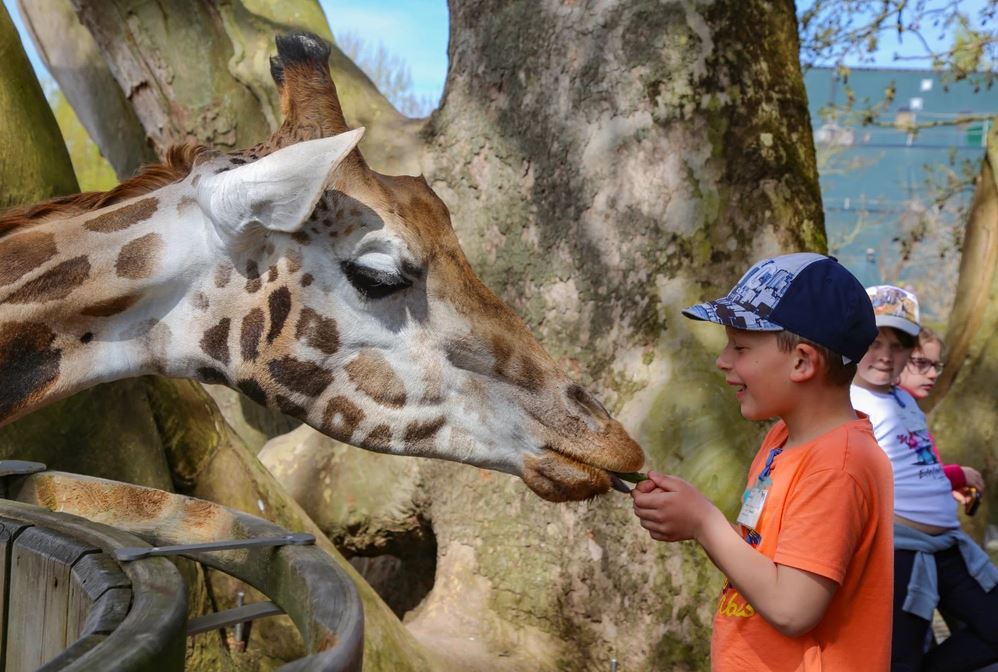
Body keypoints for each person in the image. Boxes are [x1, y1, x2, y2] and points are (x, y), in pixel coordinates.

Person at [631, 252, 894, 671]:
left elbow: (793, 609)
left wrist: (703, 523)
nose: (723, 361)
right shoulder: (781, 439)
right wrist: (686, 514)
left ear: (802, 362)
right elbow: (761, 554)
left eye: (739, 347)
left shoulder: (838, 466)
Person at [850, 285, 998, 672]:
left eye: (898, 346)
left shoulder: (903, 400)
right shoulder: (848, 403)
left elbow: (916, 464)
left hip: (948, 544)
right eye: (874, 342)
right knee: (900, 658)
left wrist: (950, 479)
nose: (885, 355)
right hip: (900, 553)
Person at [896, 326, 985, 504]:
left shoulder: (911, 412)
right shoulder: (890, 413)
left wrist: (947, 487)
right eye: (921, 363)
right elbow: (906, 478)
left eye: (936, 366)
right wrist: (958, 475)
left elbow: (925, 466)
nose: (932, 375)